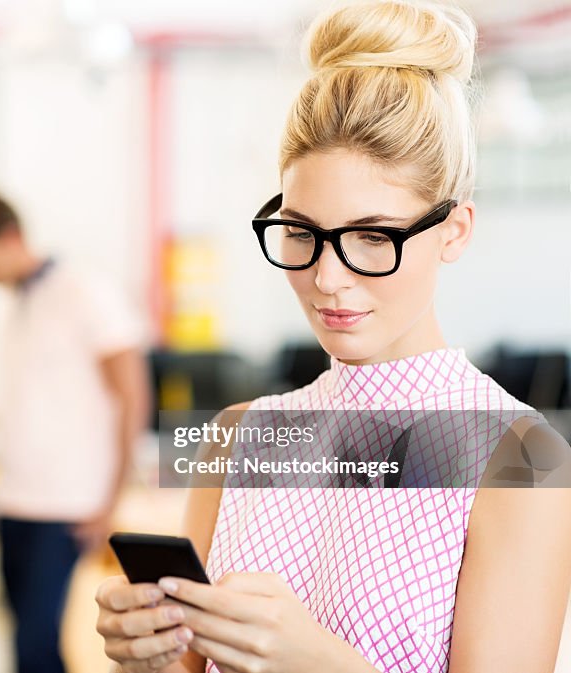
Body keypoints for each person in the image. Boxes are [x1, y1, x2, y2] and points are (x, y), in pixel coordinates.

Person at [95, 2, 571, 672]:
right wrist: (145, 654)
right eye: (301, 232)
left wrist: (315, 661)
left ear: (455, 230)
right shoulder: (241, 438)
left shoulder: (518, 459)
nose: (327, 276)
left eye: (372, 236)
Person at [0, 193, 150, 673]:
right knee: (28, 648)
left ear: (11, 237)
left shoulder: (82, 290)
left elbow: (133, 393)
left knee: (34, 649)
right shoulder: (8, 308)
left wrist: (111, 499)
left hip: (65, 509)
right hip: (11, 503)